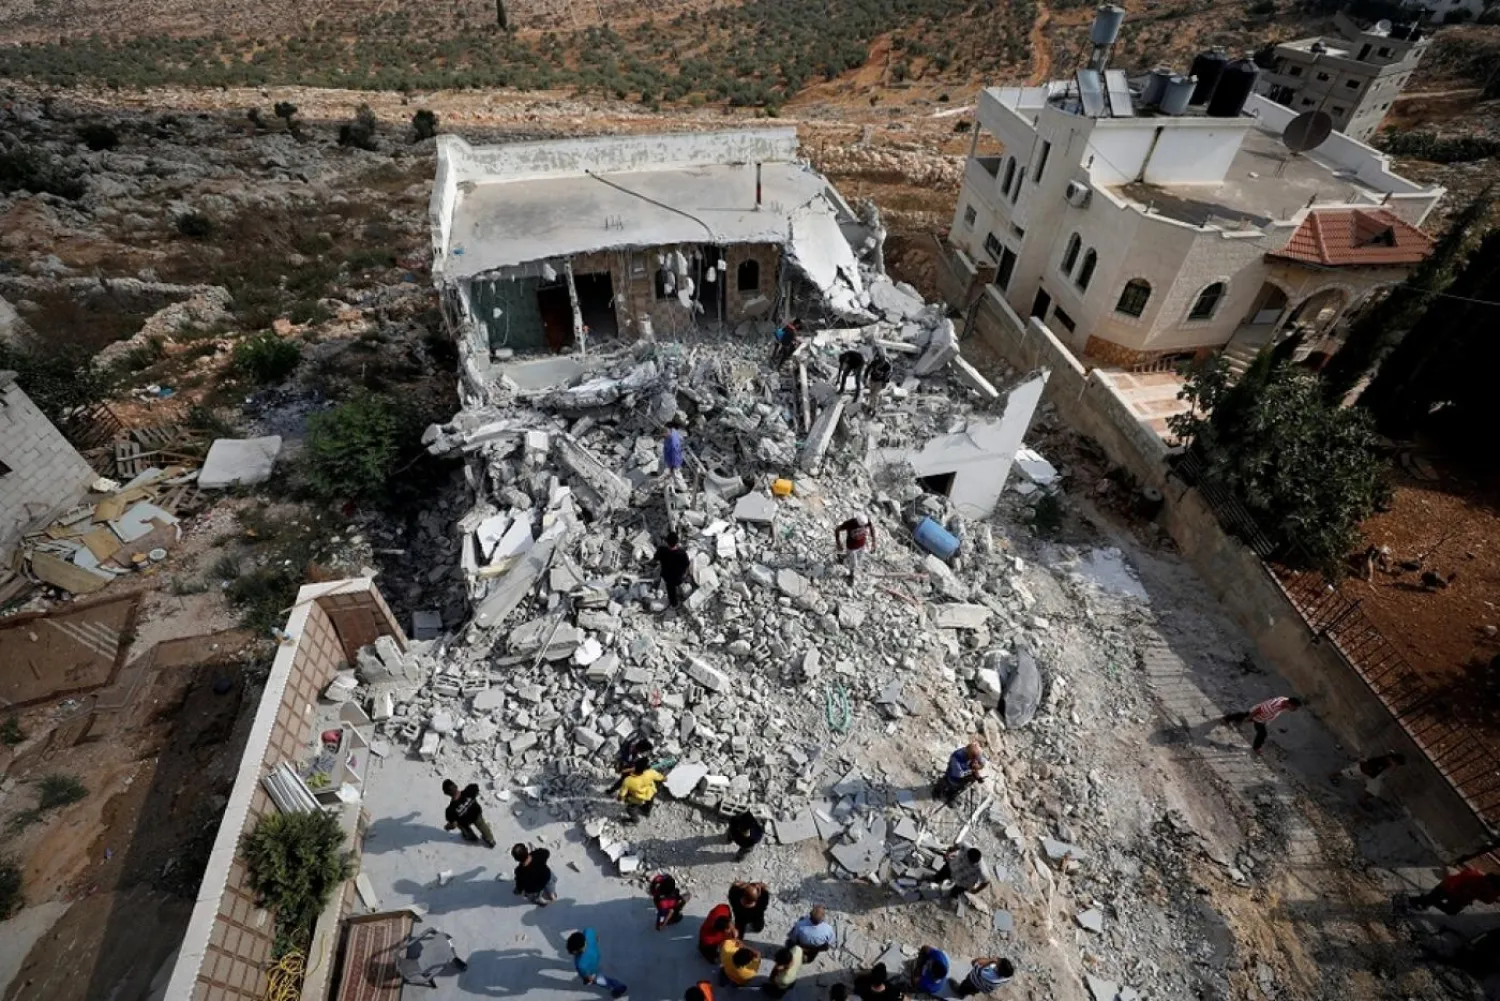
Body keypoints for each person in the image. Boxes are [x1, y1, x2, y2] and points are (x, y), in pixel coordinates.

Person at [1221, 696, 1303, 755]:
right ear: (1289, 703)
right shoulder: (1273, 706)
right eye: (1294, 707)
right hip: (1258, 717)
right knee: (1261, 732)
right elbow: (1258, 710)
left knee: (1243, 716)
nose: (1294, 709)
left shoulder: (1284, 699)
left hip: (1263, 717)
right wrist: (1249, 718)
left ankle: (1227, 719)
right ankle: (1256, 748)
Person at [1409, 868, 1500, 915]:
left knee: (1451, 911)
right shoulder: (1474, 876)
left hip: (1460, 896)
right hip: (1448, 887)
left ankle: (1426, 900)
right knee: (1435, 896)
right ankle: (1415, 901)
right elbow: (1454, 883)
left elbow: (1487, 900)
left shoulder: (1491, 889)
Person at [568, 929, 629, 999]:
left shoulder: (580, 963)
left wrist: (588, 980)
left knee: (599, 979)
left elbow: (587, 977)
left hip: (591, 970)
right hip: (596, 956)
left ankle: (618, 987)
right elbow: (596, 938)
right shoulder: (588, 933)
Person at [441, 779, 495, 847]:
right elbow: (476, 788)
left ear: (446, 793)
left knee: (461, 825)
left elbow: (453, 824)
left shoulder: (450, 810)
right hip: (476, 814)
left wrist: (448, 827)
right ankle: (490, 840)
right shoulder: (469, 790)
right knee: (482, 825)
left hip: (465, 821)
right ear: (456, 786)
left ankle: (471, 837)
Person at [1331, 751, 1406, 799]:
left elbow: (1386, 773)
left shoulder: (1388, 763)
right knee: (1347, 773)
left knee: (1373, 791)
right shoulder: (1381, 760)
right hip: (1363, 770)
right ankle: (1332, 776)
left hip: (1370, 774)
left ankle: (1363, 800)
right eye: (1396, 764)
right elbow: (1368, 761)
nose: (1395, 765)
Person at [652, 532, 693, 609]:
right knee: (680, 583)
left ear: (667, 542)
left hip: (667, 577)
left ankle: (674, 605)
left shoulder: (661, 550)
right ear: (677, 542)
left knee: (671, 592)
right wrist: (684, 574)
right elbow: (687, 565)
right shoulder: (682, 553)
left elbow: (655, 560)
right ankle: (683, 591)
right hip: (679, 577)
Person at [835, 513, 875, 583]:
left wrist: (873, 542)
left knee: (859, 559)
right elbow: (837, 529)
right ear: (857, 521)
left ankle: (841, 557)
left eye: (864, 526)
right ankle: (851, 576)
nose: (863, 526)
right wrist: (838, 543)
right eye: (861, 525)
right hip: (851, 546)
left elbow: (872, 528)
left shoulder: (866, 521)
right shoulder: (849, 523)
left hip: (862, 545)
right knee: (854, 563)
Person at [949, 957, 1015, 997]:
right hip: (982, 986)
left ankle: (960, 992)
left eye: (999, 961)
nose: (997, 959)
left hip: (973, 981)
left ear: (998, 968)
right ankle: (970, 992)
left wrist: (990, 960)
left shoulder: (988, 975)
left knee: (965, 986)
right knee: (973, 990)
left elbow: (975, 963)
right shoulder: (1007, 977)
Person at [664, 421, 687, 485]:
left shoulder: (673, 438)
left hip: (674, 461)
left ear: (670, 428)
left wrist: (673, 464)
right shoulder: (673, 434)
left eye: (666, 429)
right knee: (674, 475)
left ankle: (683, 489)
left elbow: (675, 451)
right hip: (672, 459)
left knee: (677, 475)